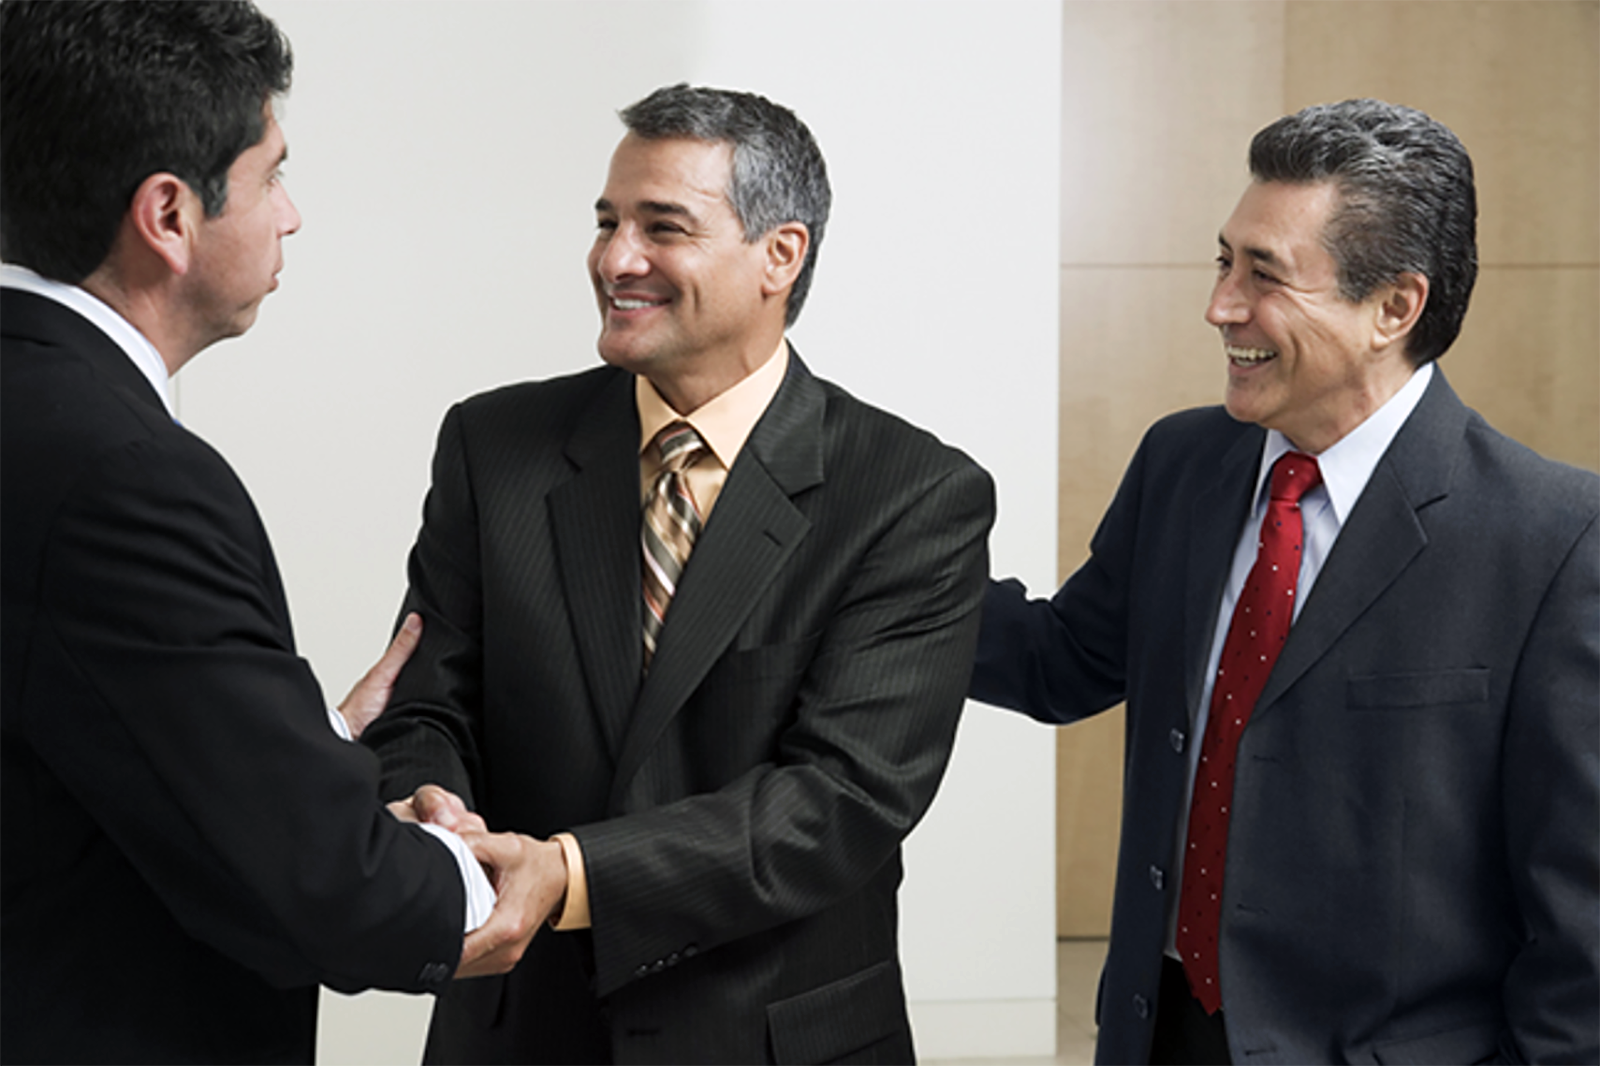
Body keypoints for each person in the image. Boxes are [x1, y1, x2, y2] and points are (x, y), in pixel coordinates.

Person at [362, 83, 995, 1064]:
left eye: (663, 227)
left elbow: (840, 799)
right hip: (517, 1028)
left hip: (774, 1036)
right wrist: (432, 813)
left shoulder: (911, 495)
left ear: (779, 255)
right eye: (608, 221)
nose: (615, 259)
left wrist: (569, 874)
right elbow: (425, 699)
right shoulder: (494, 445)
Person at [972, 99, 1600, 1065]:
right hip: (1161, 1031)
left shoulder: (1555, 541)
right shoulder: (1184, 461)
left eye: (1263, 276)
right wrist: (866, 566)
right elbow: (1065, 660)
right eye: (1224, 261)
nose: (1220, 305)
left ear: (1395, 307)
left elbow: (1581, 931)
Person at [0, 2, 538, 1063]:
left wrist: (295, 747)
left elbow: (71, 740)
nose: (291, 214)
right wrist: (481, 877)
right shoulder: (129, 475)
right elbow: (331, 888)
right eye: (271, 173)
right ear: (168, 215)